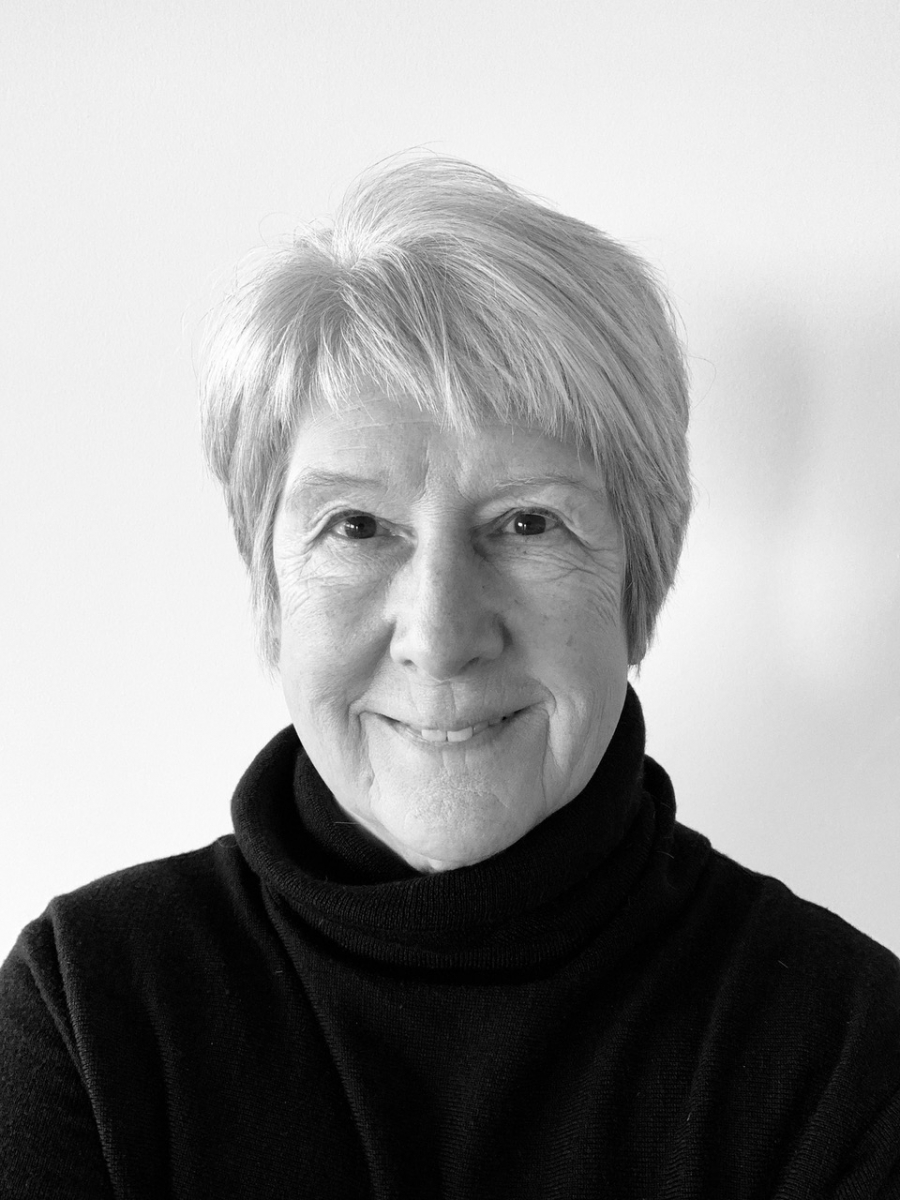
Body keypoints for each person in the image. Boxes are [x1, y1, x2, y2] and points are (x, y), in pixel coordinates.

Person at [1, 154, 898, 1199]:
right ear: (268, 588)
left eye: (527, 523)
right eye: (356, 526)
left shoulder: (845, 1053)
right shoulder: (91, 1017)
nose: (438, 635)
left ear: (641, 582)